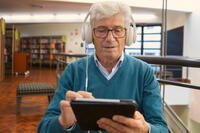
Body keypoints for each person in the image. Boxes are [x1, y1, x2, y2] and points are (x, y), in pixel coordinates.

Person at [38, 1, 168, 133]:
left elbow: (162, 128)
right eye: (101, 30)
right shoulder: (73, 71)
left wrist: (146, 130)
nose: (110, 38)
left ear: (128, 36)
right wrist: (63, 123)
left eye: (118, 30)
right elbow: (43, 128)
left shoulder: (144, 72)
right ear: (90, 36)